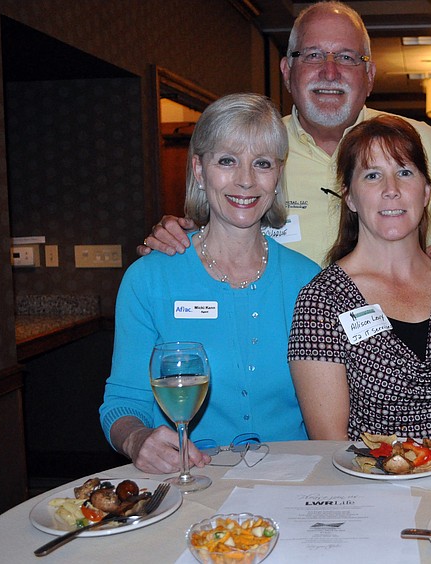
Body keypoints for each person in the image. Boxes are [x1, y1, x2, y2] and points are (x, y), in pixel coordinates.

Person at [141, 1, 431, 285]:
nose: (330, 72)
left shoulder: (419, 143)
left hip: (398, 351)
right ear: (286, 71)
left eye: (346, 57)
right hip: (280, 355)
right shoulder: (255, 150)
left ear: (369, 75)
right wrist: (177, 237)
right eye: (312, 55)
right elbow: (212, 234)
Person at [100, 93, 320, 474]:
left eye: (262, 163)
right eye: (227, 161)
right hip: (188, 483)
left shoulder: (308, 281)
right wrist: (137, 439)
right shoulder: (149, 279)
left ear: (278, 175)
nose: (246, 180)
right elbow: (122, 402)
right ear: (200, 171)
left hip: (292, 486)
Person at [287, 115, 431, 455]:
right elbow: (331, 447)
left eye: (404, 172)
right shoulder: (321, 301)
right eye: (372, 175)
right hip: (369, 495)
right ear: (349, 198)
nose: (391, 189)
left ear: (425, 193)